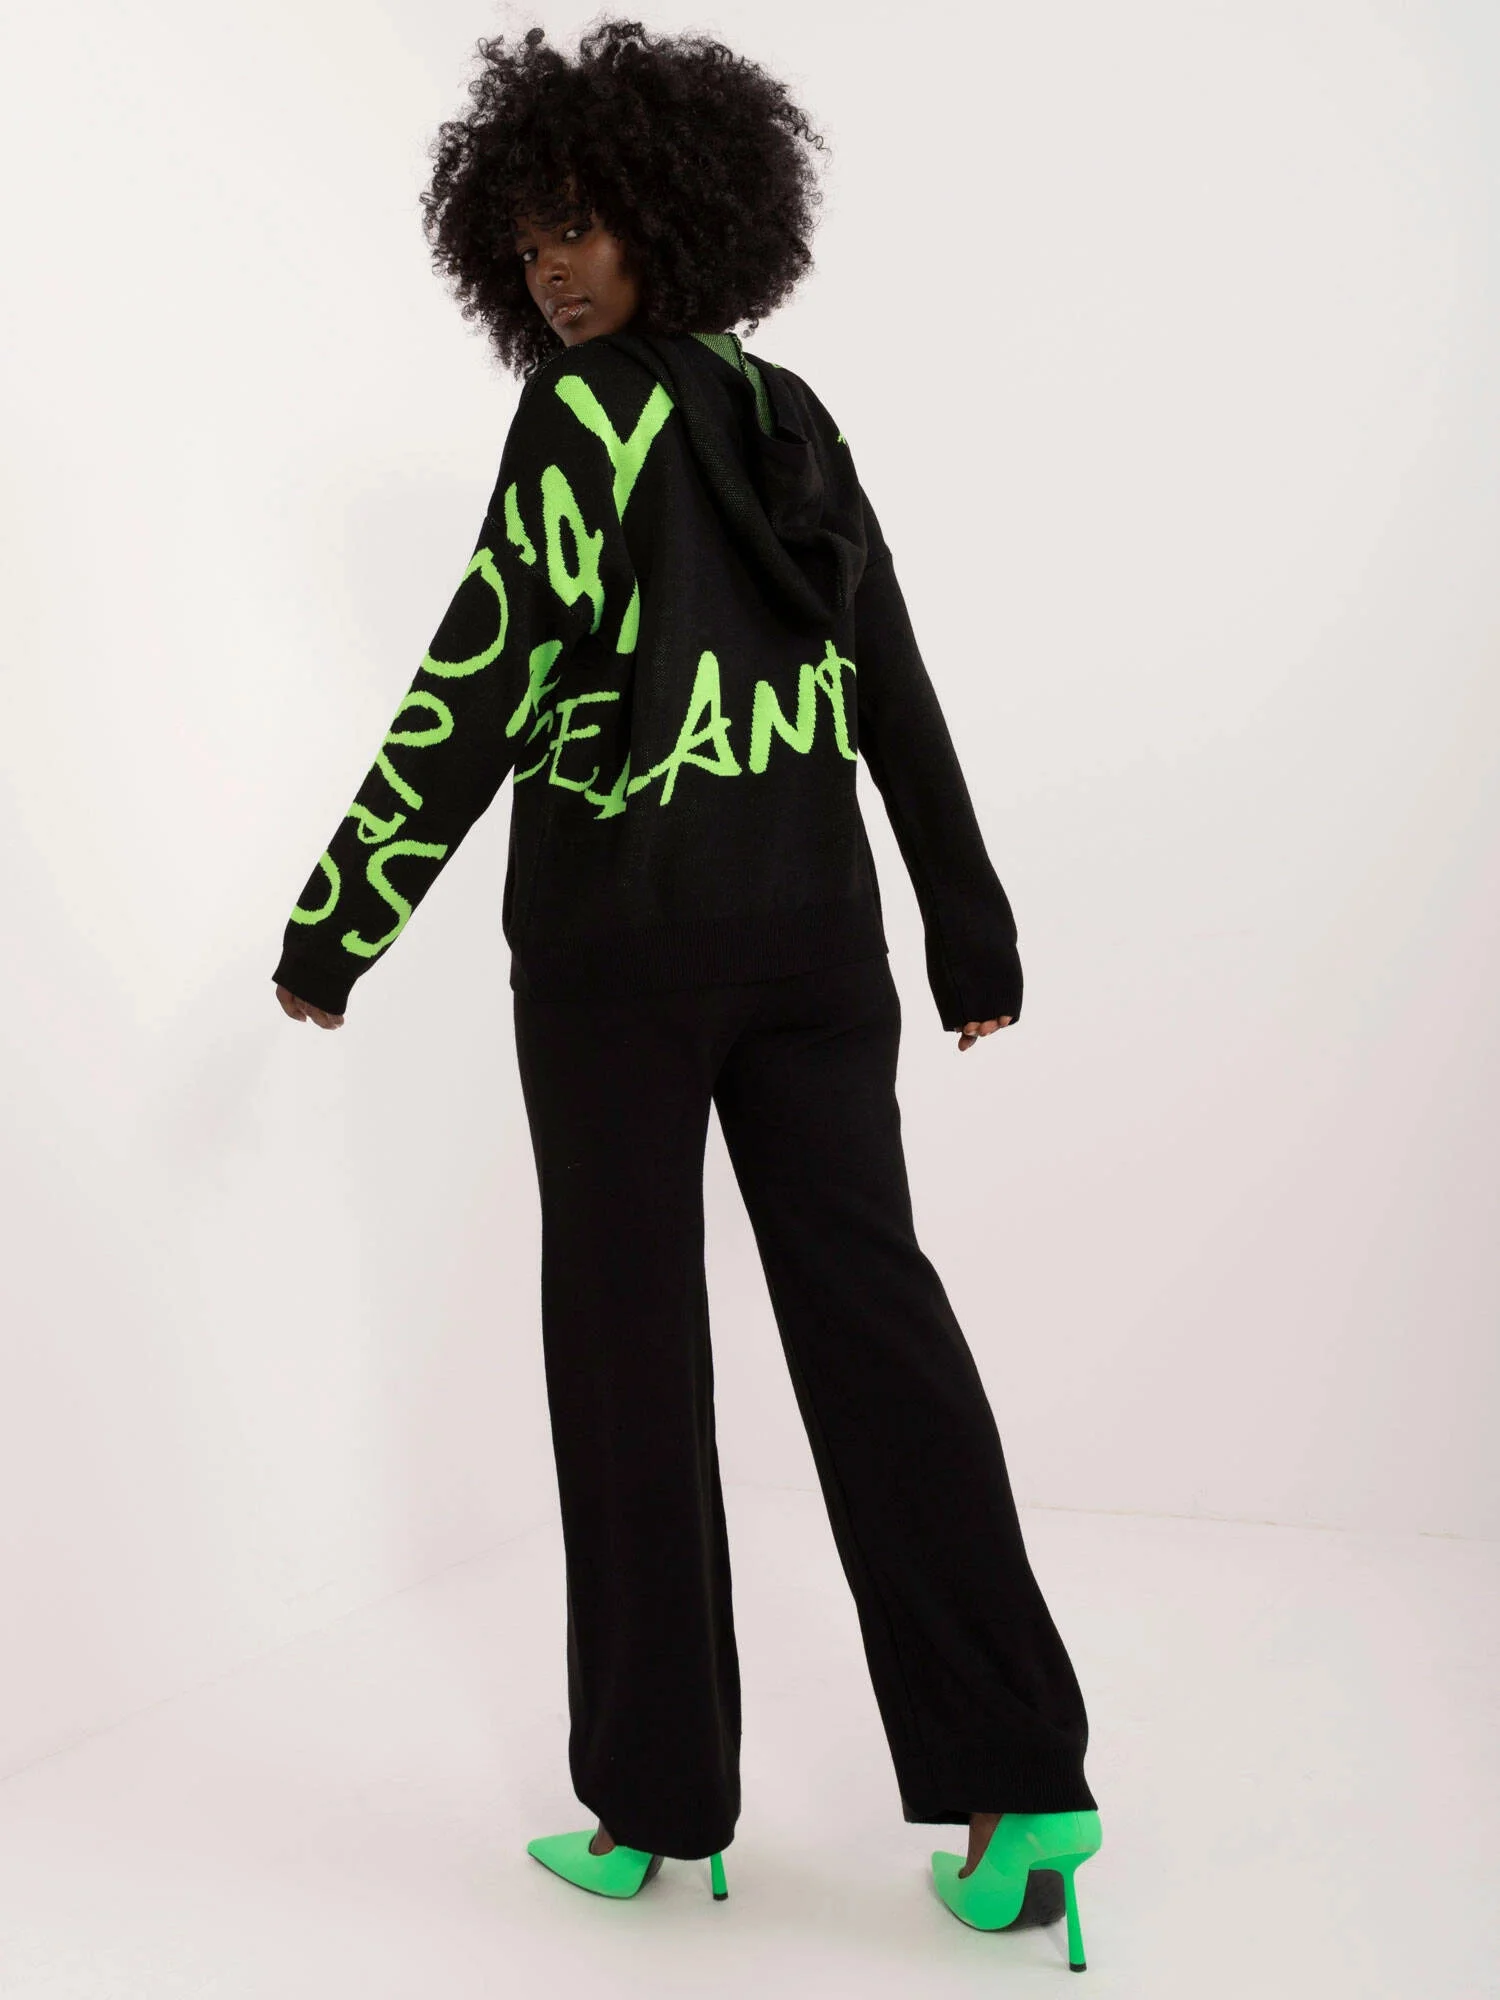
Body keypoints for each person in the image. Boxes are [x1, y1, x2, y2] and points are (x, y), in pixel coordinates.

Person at [271, 17, 1102, 1965]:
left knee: (630, 1362)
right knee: (878, 1331)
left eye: (583, 225)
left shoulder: (582, 421)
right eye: (530, 237)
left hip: (619, 965)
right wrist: (967, 925)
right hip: (819, 948)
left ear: (672, 214)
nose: (554, 268)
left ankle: (655, 1810)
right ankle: (1024, 1783)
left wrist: (339, 922)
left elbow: (479, 675)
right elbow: (889, 679)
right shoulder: (791, 412)